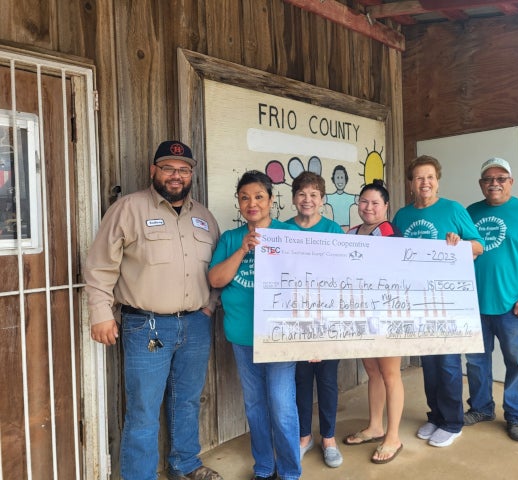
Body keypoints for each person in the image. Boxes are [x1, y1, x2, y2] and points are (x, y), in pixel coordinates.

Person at [84, 140, 222, 480]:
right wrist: (100, 313)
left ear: (192, 174)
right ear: (153, 171)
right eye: (168, 168)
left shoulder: (204, 217)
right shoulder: (129, 209)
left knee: (187, 401)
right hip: (146, 326)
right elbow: (100, 265)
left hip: (195, 325)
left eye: (183, 170)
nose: (176, 176)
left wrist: (209, 307)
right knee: (144, 409)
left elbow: (218, 270)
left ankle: (185, 464)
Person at [208, 170, 301, 480]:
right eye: (245, 198)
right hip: (242, 336)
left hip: (279, 337)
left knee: (281, 405)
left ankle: (288, 472)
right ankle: (264, 467)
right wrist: (244, 248)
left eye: (259, 197)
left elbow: (312, 277)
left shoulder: (289, 234)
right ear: (238, 203)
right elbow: (216, 279)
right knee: (255, 407)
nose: (252, 203)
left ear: (272, 200)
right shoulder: (231, 238)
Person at [392, 155, 484, 448]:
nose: (425, 183)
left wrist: (460, 244)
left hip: (448, 300)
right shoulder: (402, 216)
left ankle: (453, 422)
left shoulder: (453, 209)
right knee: (428, 364)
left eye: (430, 177)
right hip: (417, 302)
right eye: (419, 177)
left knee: (447, 363)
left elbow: (479, 246)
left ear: (438, 180)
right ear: (411, 183)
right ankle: (435, 415)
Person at [464, 157, 518, 442]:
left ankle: (516, 417)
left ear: (511, 182)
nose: (494, 183)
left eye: (501, 178)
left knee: (517, 362)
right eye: (488, 179)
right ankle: (480, 408)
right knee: (476, 363)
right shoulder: (470, 212)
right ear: (481, 184)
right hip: (475, 304)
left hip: (513, 307)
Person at [284, 172, 344, 468]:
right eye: (302, 194)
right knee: (301, 379)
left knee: (328, 380)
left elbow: (343, 273)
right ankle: (304, 436)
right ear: (294, 197)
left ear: (322, 200)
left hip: (327, 318)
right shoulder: (281, 230)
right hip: (294, 319)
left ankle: (329, 438)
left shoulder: (333, 229)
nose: (308, 200)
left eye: (314, 195)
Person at [342, 179, 405, 465]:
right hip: (360, 311)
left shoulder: (389, 232)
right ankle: (375, 426)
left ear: (385, 206)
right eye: (364, 201)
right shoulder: (351, 231)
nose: (368, 207)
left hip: (386, 312)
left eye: (375, 203)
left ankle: (393, 436)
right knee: (372, 370)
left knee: (390, 372)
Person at [324, 165, 358, 230]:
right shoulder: (330, 197)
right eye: (337, 177)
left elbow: (360, 199)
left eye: (342, 177)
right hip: (334, 228)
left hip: (346, 228)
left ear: (346, 179)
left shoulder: (350, 197)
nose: (340, 180)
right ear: (333, 180)